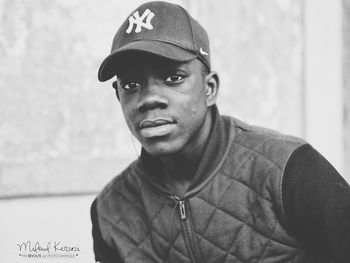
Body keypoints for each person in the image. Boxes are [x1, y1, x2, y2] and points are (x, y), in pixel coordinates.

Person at [90, 1, 350, 262]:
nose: (149, 99)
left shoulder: (289, 169)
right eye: (131, 85)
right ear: (118, 96)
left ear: (209, 88)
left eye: (173, 78)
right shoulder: (110, 211)